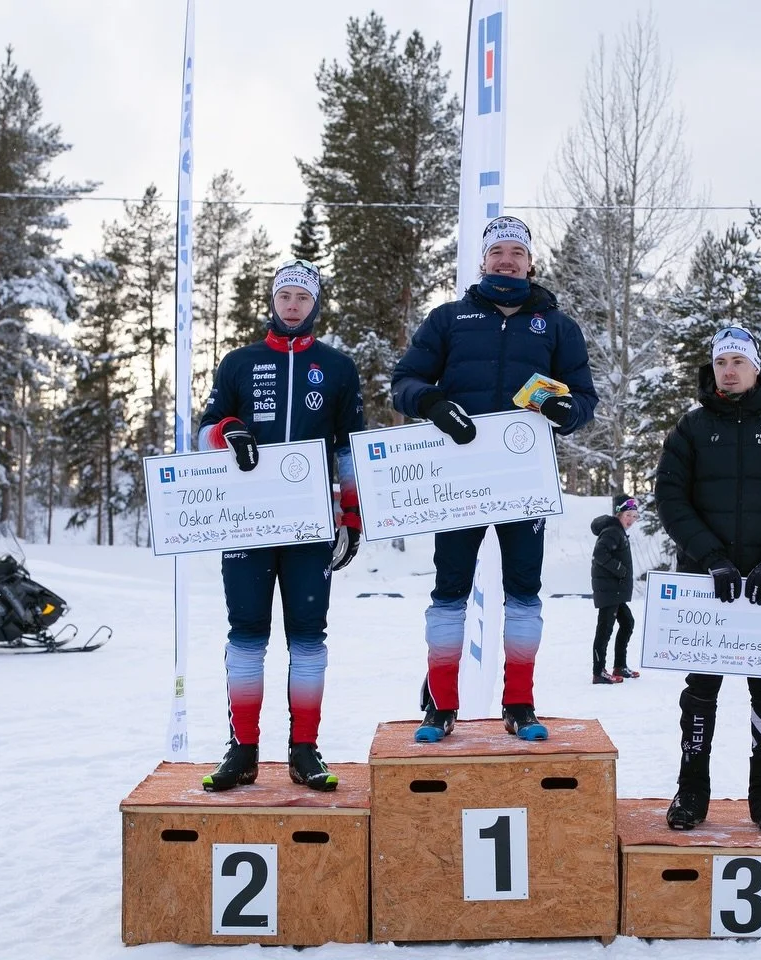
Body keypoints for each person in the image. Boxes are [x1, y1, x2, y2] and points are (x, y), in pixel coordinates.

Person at [391, 215, 598, 743]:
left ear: (530, 263)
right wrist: (432, 403)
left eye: (517, 253)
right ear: (483, 261)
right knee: (449, 591)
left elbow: (584, 399)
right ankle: (441, 706)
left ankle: (520, 703)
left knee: (524, 592)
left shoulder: (557, 326)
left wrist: (567, 412)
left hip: (524, 482)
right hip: (458, 480)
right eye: (498, 252)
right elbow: (405, 382)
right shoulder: (448, 318)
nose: (507, 260)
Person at [196, 259, 365, 792]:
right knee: (246, 635)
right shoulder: (239, 362)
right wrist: (229, 431)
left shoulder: (337, 367)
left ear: (316, 304)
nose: (293, 305)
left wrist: (352, 515)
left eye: (303, 297)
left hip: (310, 527)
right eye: (285, 296)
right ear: (272, 301)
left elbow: (349, 450)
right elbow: (204, 432)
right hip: (246, 524)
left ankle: (304, 750)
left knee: (308, 638)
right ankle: (242, 750)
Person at [654, 327, 761, 835]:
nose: (728, 370)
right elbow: (671, 498)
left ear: (755, 368)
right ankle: (691, 790)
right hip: (707, 588)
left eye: (738, 361)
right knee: (700, 692)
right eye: (721, 362)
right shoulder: (690, 429)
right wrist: (710, 557)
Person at [590, 493, 640, 684]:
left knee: (627, 623)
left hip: (615, 591)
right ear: (619, 514)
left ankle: (619, 666)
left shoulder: (618, 531)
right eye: (628, 515)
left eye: (634, 516)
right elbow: (599, 553)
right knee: (605, 630)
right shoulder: (612, 531)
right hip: (609, 590)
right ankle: (598, 672)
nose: (631, 520)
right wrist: (620, 570)